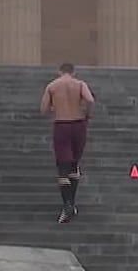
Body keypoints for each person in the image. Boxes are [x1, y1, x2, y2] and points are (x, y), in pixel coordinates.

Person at [40, 62, 95, 223]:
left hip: (62, 125)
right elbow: (90, 100)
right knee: (74, 164)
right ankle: (71, 204)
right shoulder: (79, 84)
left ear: (59, 71)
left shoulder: (52, 86)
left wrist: (53, 107)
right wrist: (87, 114)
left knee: (63, 166)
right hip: (78, 124)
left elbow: (43, 109)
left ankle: (68, 205)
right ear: (73, 72)